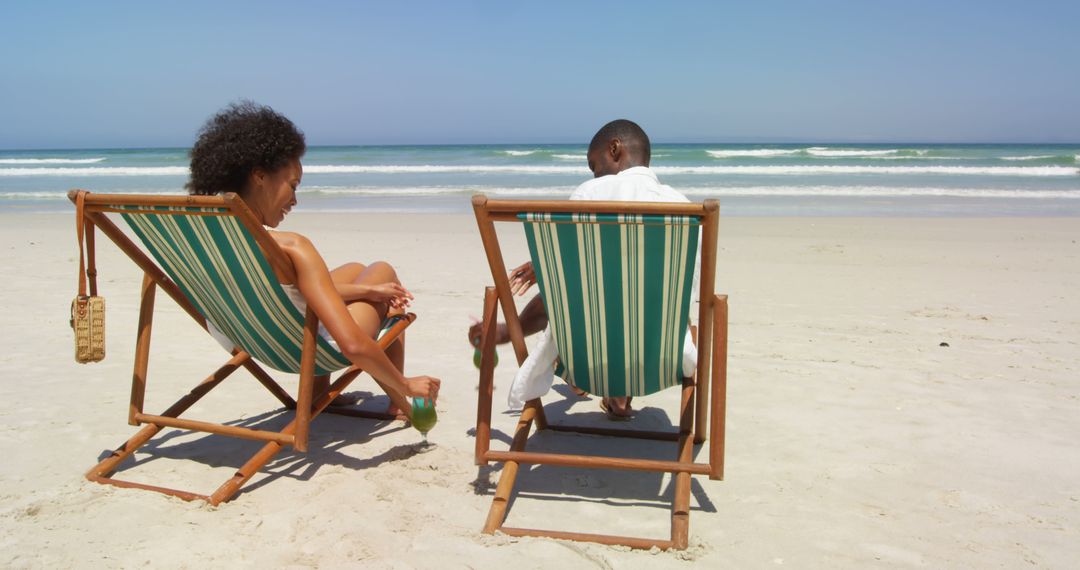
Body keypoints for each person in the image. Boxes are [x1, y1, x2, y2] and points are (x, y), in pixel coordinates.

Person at [188, 100, 439, 414]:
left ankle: (319, 392)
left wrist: (367, 291)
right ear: (259, 176)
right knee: (382, 270)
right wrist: (407, 383)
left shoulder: (205, 239)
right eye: (292, 185)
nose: (294, 200)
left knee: (356, 270)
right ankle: (398, 401)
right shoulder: (291, 246)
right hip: (307, 349)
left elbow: (294, 292)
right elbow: (352, 346)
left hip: (252, 339)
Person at [469, 119, 693, 420]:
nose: (594, 173)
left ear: (615, 149)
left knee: (576, 292)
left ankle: (515, 330)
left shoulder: (591, 193)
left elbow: (581, 276)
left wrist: (548, 265)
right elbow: (690, 292)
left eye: (593, 165)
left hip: (586, 357)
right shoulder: (681, 207)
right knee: (642, 298)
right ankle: (620, 396)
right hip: (663, 357)